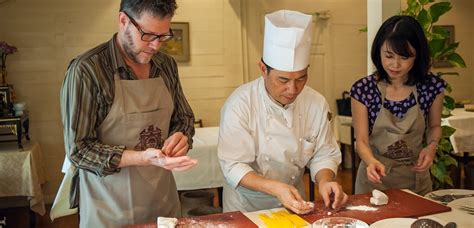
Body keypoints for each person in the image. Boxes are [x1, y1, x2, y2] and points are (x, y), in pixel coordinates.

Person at [54, 0, 197, 226]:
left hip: (161, 200)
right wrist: (141, 157)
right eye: (149, 35)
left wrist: (182, 137)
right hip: (108, 206)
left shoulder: (166, 65)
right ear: (123, 21)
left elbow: (184, 119)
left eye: (163, 36)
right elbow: (79, 150)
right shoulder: (88, 70)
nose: (156, 46)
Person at [218, 10, 348, 214]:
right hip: (246, 206)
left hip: (295, 202)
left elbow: (324, 153)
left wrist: (325, 181)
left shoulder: (316, 103)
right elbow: (233, 166)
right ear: (263, 69)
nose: (293, 89)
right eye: (283, 80)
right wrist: (275, 188)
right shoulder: (240, 104)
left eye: (301, 78)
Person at [351, 15, 446, 195]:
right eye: (388, 55)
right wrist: (371, 162)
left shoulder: (432, 86)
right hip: (375, 177)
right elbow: (361, 140)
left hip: (415, 177)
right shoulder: (364, 89)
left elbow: (434, 126)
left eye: (404, 57)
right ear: (378, 51)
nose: (395, 64)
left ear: (417, 56)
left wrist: (431, 147)